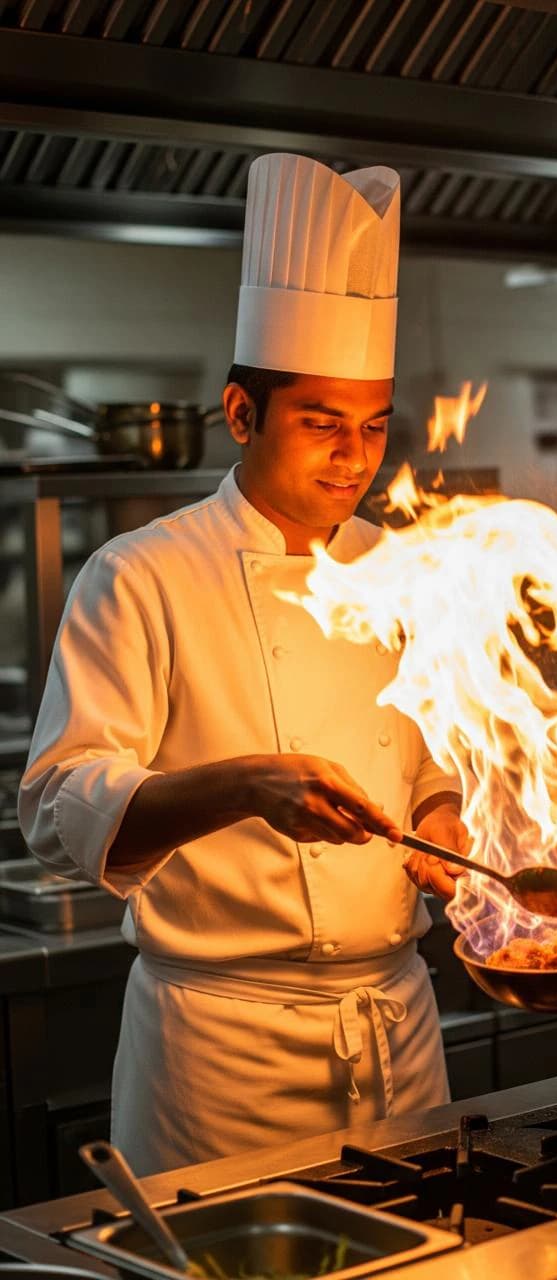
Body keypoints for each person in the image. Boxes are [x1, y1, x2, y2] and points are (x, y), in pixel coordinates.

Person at [18, 154, 468, 1176]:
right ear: (239, 412)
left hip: (397, 1019)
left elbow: (434, 758)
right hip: (221, 1051)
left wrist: (441, 818)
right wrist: (246, 785)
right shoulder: (139, 573)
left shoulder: (400, 571)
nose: (352, 455)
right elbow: (54, 804)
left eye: (369, 427)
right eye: (319, 423)